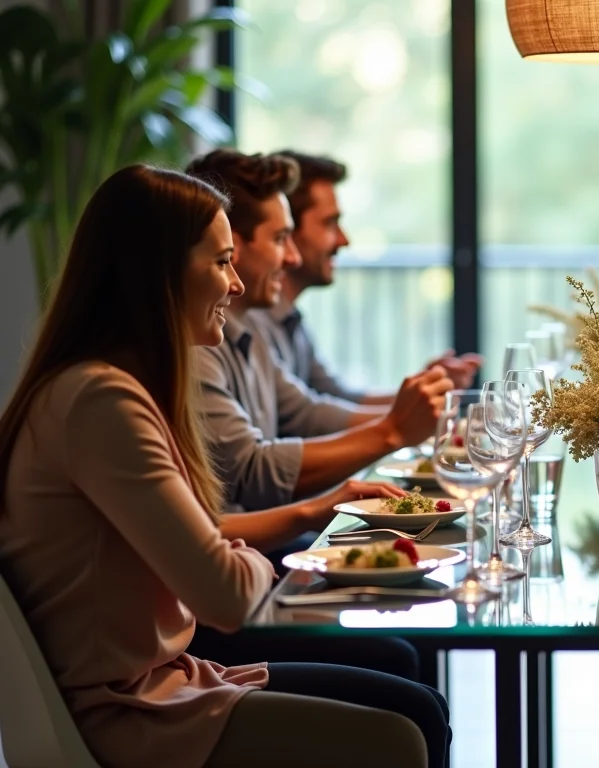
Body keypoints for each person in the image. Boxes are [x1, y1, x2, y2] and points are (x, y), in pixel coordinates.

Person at [0, 165, 450, 768]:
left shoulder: (110, 389)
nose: (235, 285)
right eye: (220, 262)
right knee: (404, 732)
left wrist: (308, 513)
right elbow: (228, 595)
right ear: (156, 275)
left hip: (170, 682)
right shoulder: (102, 403)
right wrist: (275, 554)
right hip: (133, 715)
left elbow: (203, 539)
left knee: (417, 700)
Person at [185, 149, 451, 518]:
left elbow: (306, 410)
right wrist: (392, 430)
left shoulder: (248, 328)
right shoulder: (196, 344)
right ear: (233, 246)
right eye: (280, 238)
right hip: (251, 558)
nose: (291, 257)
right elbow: (247, 471)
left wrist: (411, 410)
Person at [246, 149, 481, 404]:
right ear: (288, 229)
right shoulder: (252, 321)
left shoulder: (287, 318)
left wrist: (421, 390)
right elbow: (307, 416)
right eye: (330, 223)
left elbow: (335, 397)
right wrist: (401, 424)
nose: (344, 240)